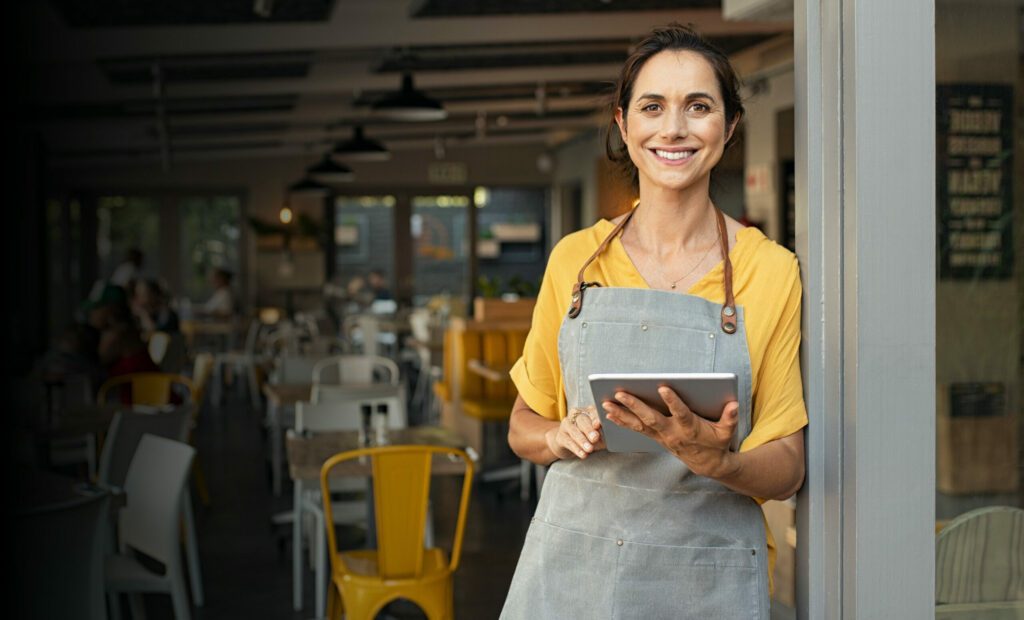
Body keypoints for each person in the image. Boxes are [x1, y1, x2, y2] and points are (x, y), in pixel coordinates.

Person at [502, 24, 807, 619]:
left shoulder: (769, 271)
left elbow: (788, 466)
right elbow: (522, 423)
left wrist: (719, 461)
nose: (674, 128)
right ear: (624, 124)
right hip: (575, 570)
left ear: (730, 126)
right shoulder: (576, 260)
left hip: (704, 579)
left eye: (699, 106)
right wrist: (556, 436)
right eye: (652, 107)